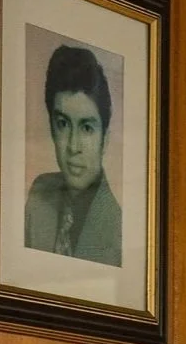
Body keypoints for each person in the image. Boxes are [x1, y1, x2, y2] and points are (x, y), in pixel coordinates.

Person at [23, 44, 121, 266]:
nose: (73, 146)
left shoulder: (119, 228)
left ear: (105, 139)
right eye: (63, 124)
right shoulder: (40, 191)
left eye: (87, 128)